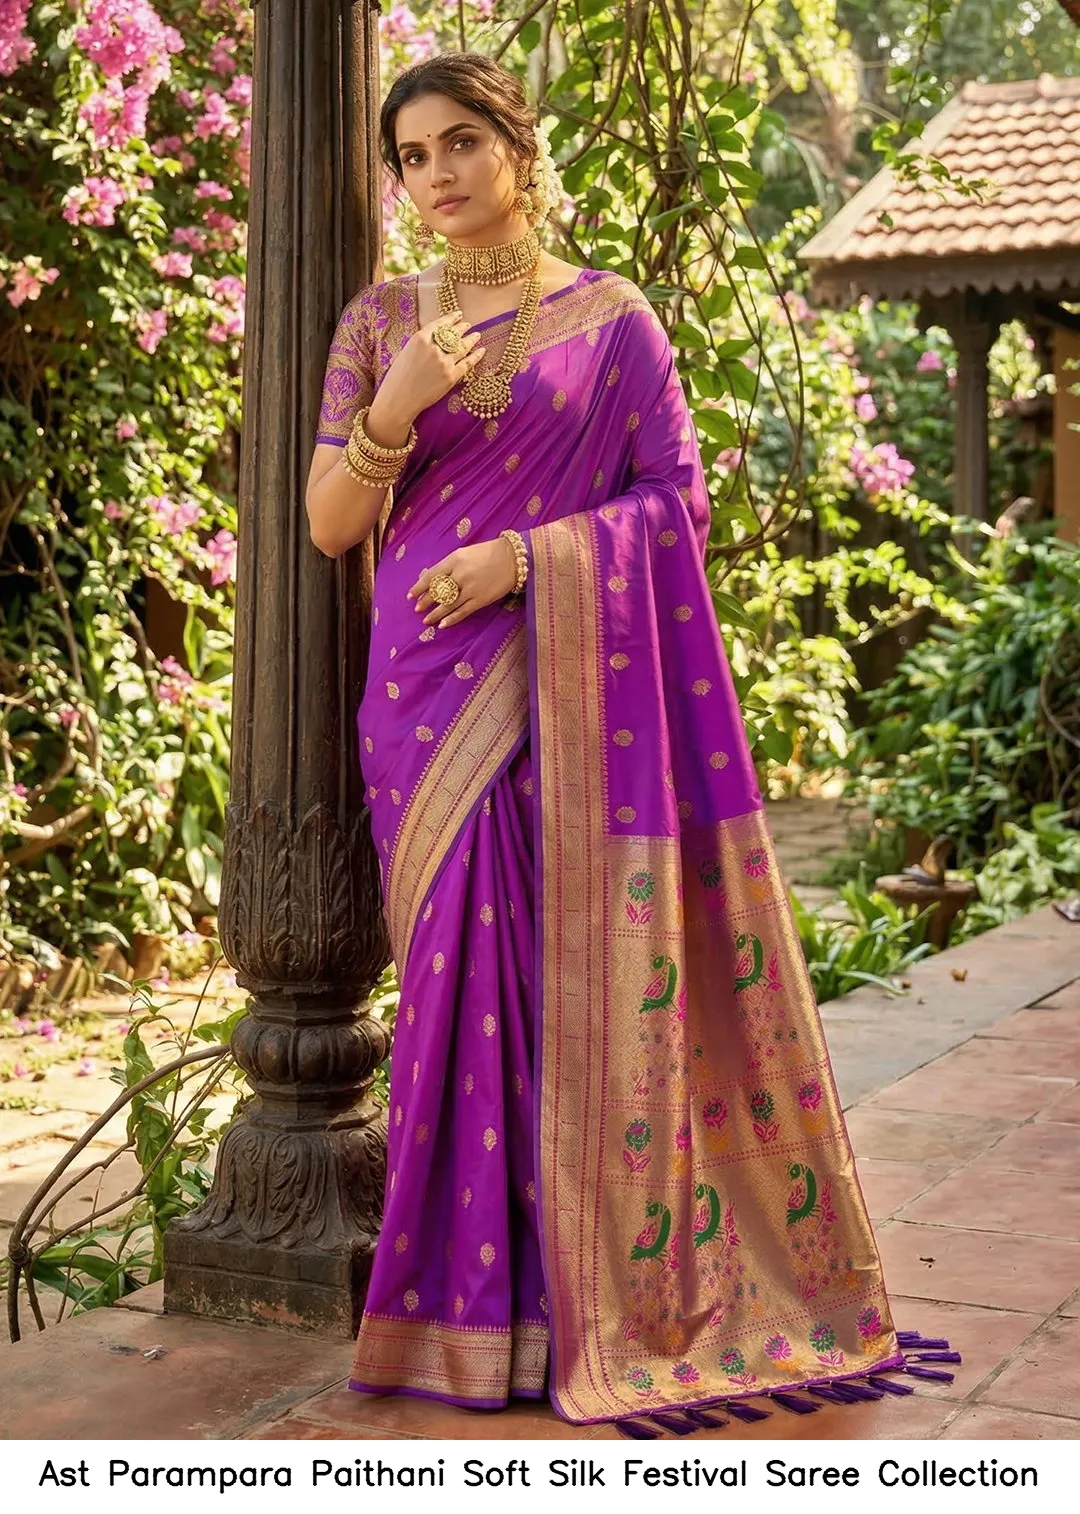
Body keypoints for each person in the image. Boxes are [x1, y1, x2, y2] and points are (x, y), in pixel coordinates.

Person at [306, 51, 927, 1431]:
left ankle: (583, 1306)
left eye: (463, 142)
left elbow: (676, 503)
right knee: (457, 989)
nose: (437, 174)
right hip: (424, 702)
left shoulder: (613, 320)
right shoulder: (378, 322)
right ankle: (470, 1318)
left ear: (519, 147)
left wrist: (527, 560)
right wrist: (397, 401)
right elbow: (330, 523)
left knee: (572, 978)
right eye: (413, 156)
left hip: (564, 691)